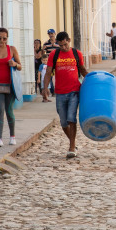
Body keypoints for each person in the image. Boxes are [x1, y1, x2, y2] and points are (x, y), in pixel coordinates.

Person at [42, 31, 88, 159]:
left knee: (71, 118)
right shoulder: (54, 55)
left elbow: (83, 70)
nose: (63, 47)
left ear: (69, 40)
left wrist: (92, 81)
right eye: (60, 45)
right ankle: (72, 142)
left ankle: (72, 147)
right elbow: (48, 72)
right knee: (63, 122)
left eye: (65, 44)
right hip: (60, 92)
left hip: (74, 91)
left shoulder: (76, 53)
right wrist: (45, 88)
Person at [0, 27, 22, 147]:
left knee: (9, 110)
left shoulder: (12, 49)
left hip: (10, 85)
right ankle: (0, 138)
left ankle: (12, 136)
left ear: (7, 39)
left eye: (4, 38)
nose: (2, 40)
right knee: (0, 110)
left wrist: (14, 64)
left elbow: (20, 66)